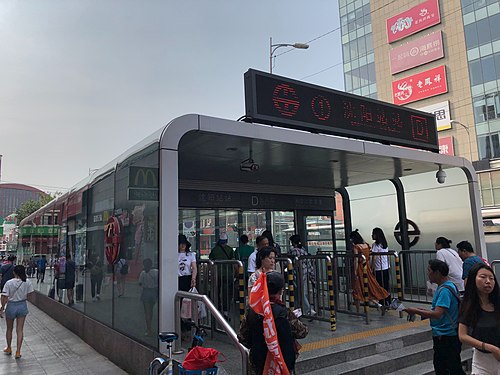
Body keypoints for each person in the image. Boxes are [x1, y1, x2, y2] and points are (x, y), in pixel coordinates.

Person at [404, 259, 465, 375]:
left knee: (447, 367)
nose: (428, 273)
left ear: (437, 273)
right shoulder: (449, 286)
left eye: (429, 271)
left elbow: (437, 314)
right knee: (451, 366)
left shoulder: (444, 291)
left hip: (446, 336)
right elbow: (440, 310)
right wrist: (419, 311)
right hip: (448, 334)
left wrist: (415, 310)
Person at [241, 271, 307, 374]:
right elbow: (302, 332)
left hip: (258, 363)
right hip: (281, 364)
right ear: (280, 291)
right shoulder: (283, 311)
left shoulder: (252, 310)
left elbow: (242, 337)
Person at [458, 263, 500, 374]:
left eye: (491, 278)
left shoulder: (498, 304)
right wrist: (490, 348)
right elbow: (462, 335)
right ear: (473, 279)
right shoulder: (467, 305)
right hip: (481, 359)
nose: (488, 281)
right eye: (483, 277)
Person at [0, 265, 34, 359]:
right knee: (20, 330)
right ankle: (18, 351)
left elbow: (4, 296)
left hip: (11, 306)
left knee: (9, 329)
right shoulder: (27, 282)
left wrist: (2, 308)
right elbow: (31, 294)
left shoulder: (9, 283)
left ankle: (9, 347)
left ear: (14, 272)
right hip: (22, 305)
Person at [350, 230, 389, 310]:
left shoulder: (356, 247)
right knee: (369, 286)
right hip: (366, 267)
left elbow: (356, 260)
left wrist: (355, 271)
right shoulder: (366, 245)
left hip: (360, 268)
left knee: (358, 288)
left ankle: (358, 310)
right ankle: (379, 304)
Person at [287, 234, 316, 317]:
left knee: (299, 293)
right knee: (303, 292)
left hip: (297, 274)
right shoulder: (303, 250)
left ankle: (308, 309)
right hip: (305, 273)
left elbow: (288, 261)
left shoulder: (294, 251)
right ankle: (300, 310)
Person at [209, 232, 235, 320]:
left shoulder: (214, 250)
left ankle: (216, 308)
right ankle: (225, 311)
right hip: (228, 275)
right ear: (226, 241)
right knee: (227, 293)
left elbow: (210, 261)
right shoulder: (230, 250)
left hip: (216, 274)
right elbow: (234, 263)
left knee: (216, 292)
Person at [371, 227, 391, 307]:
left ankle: (382, 302)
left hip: (378, 268)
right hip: (386, 267)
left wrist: (372, 267)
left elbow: (374, 258)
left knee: (379, 286)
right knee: (385, 285)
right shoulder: (384, 244)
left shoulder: (375, 245)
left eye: (373, 234)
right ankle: (387, 301)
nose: (372, 235)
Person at [138, 258, 158, 337]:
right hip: (154, 292)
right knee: (151, 310)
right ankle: (150, 325)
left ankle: (148, 328)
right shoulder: (156, 272)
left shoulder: (143, 273)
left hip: (146, 292)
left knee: (147, 311)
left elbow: (140, 283)